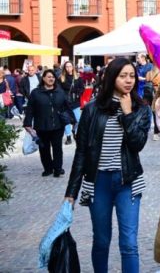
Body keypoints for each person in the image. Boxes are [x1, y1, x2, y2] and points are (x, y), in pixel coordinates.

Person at [64, 57, 151, 273]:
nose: (129, 80)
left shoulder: (141, 109)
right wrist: (71, 192)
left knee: (129, 244)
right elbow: (82, 152)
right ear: (112, 78)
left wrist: (128, 113)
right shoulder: (93, 109)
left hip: (128, 181)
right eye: (123, 76)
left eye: (132, 75)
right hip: (99, 182)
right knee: (101, 241)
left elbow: (137, 144)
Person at [23, 69, 73, 177]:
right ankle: (48, 168)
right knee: (44, 149)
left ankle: (58, 169)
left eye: (53, 77)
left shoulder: (60, 92)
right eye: (49, 77)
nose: (51, 79)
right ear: (44, 78)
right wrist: (27, 123)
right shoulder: (36, 93)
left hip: (57, 125)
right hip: (41, 125)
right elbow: (30, 109)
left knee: (57, 148)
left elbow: (68, 106)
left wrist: (72, 120)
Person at [58, 61, 84, 145]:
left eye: (70, 66)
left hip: (75, 102)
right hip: (65, 103)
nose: (69, 68)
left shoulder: (77, 78)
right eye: (67, 67)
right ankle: (68, 136)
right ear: (64, 68)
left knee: (78, 119)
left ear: (73, 67)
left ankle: (75, 132)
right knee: (66, 120)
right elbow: (58, 90)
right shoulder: (61, 78)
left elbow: (82, 88)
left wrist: (77, 94)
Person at [145, 64, 160, 141]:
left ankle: (147, 129)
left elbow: (146, 83)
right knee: (156, 113)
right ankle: (156, 133)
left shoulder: (148, 73)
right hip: (157, 94)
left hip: (148, 94)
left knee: (148, 112)